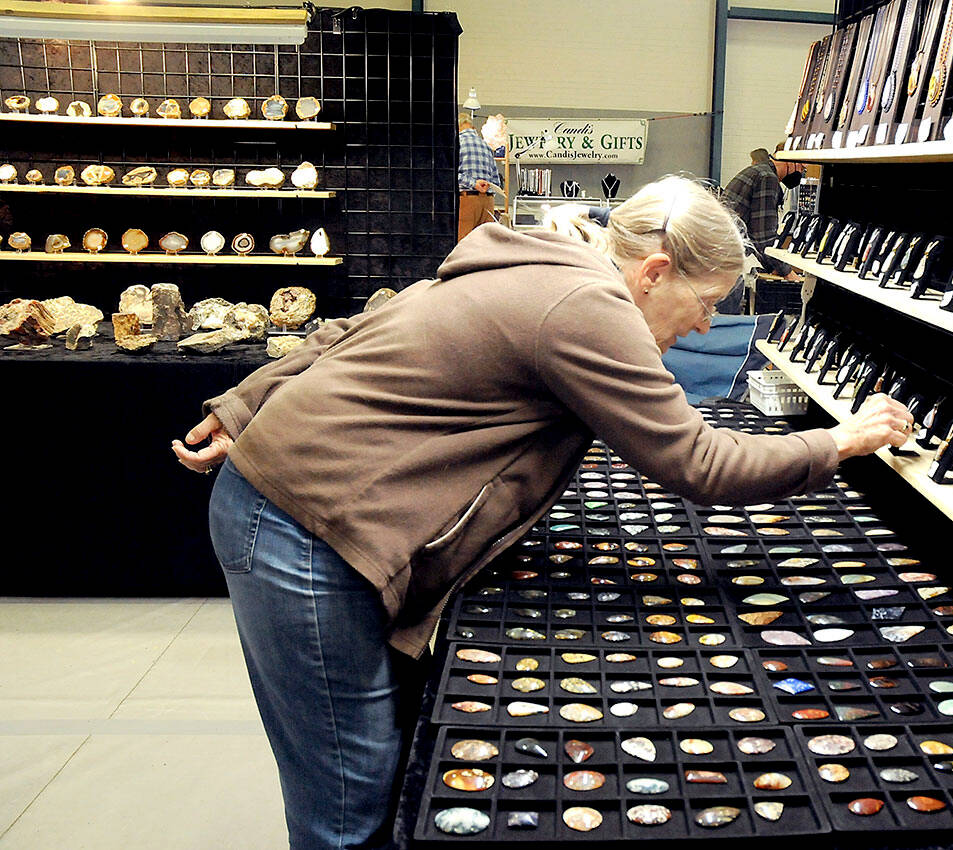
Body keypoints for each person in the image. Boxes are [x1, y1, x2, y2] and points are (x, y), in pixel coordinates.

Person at [171, 175, 912, 850]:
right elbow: (700, 463)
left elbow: (371, 324)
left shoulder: (542, 259)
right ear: (655, 273)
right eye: (709, 303)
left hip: (300, 510)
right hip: (301, 528)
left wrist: (250, 399)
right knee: (347, 793)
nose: (700, 327)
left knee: (378, 750)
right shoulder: (587, 307)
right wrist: (839, 440)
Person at [720, 147, 805, 287]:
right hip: (727, 260)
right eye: (802, 168)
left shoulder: (759, 171)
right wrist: (787, 272)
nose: (801, 173)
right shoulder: (767, 178)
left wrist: (773, 267)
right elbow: (763, 236)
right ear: (790, 162)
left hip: (720, 254)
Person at [457, 112, 503, 241]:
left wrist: (474, 183)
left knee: (463, 245)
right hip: (488, 202)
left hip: (466, 200)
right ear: (472, 128)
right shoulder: (486, 146)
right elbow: (495, 180)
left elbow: (450, 175)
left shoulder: (456, 143)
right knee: (484, 245)